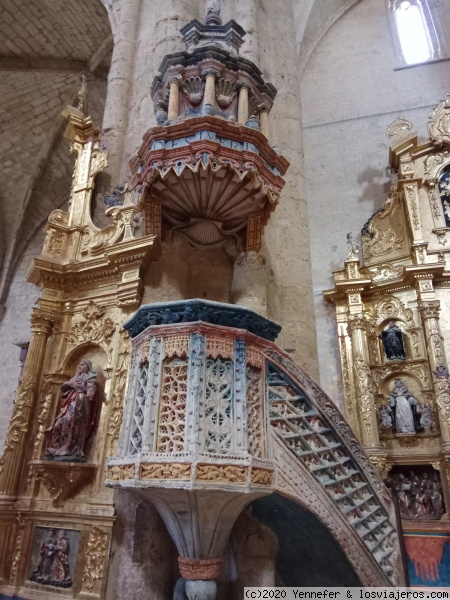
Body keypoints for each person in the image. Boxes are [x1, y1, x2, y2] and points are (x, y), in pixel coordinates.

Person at [45, 359, 98, 461]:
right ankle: (56, 448)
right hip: (71, 403)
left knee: (72, 426)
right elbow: (63, 386)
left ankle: (70, 450)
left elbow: (91, 392)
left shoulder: (90, 378)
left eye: (82, 365)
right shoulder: (76, 377)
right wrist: (71, 384)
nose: (80, 366)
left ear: (87, 366)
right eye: (79, 364)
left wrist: (88, 395)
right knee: (58, 424)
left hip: (80, 404)